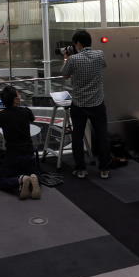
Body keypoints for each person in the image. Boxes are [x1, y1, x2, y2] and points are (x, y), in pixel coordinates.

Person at [60, 29, 110, 179]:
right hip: (97, 102)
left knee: (78, 136)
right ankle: (104, 169)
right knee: (102, 135)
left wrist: (65, 58)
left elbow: (65, 74)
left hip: (80, 104)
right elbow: (104, 66)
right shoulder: (99, 54)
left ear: (78, 43)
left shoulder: (73, 59)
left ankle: (81, 169)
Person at [0, 85, 40, 199]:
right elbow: (33, 119)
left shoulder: (0, 115)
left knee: (2, 181)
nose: (20, 96)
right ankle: (33, 177)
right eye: (18, 95)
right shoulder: (26, 111)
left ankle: (20, 179)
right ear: (16, 99)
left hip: (13, 154)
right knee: (35, 171)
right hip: (28, 153)